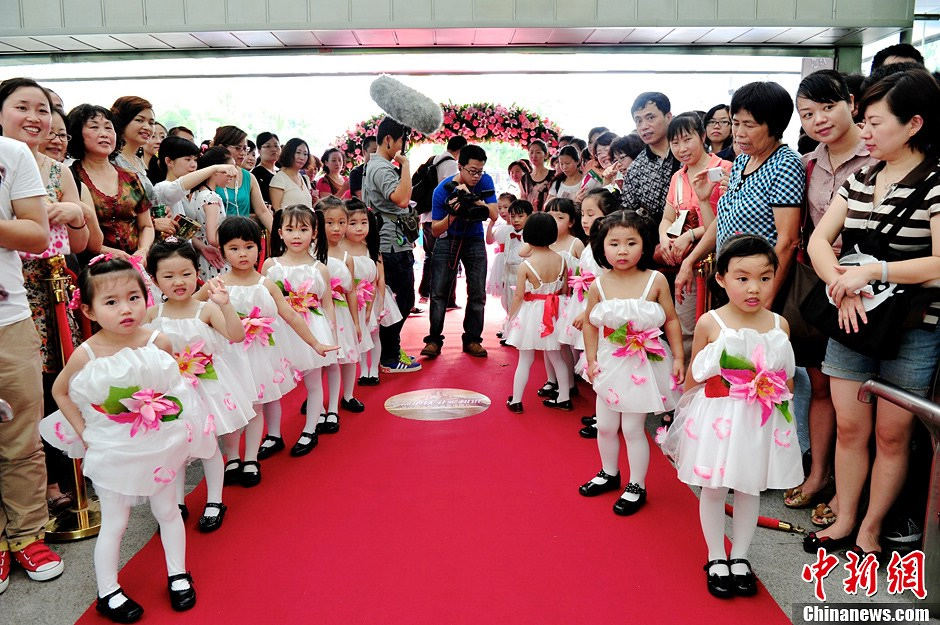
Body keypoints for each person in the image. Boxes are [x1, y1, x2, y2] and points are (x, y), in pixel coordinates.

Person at [803, 68, 940, 558]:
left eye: (875, 123)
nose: (865, 133)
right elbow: (820, 239)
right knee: (851, 426)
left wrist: (875, 271)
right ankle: (844, 519)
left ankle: (870, 528)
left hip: (912, 327)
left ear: (915, 124)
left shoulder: (935, 182)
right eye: (864, 122)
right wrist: (841, 282)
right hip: (851, 316)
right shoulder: (861, 177)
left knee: (891, 432)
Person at [45, 255, 215, 620]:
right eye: (111, 302)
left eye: (133, 298)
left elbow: (176, 387)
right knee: (116, 522)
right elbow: (60, 392)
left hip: (161, 444)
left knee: (169, 511)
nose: (126, 309)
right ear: (88, 311)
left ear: (146, 297)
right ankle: (108, 591)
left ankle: (178, 573)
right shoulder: (86, 353)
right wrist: (86, 432)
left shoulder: (159, 341)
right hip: (115, 449)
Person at [662, 234, 802, 599]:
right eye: (742, 278)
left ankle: (740, 556)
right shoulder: (712, 322)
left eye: (764, 277)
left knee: (749, 485)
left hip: (759, 419)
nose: (754, 288)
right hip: (720, 418)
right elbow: (694, 378)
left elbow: (786, 382)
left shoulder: (779, 325)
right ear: (721, 278)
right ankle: (715, 555)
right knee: (713, 487)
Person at [785, 70, 873, 522]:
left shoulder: (879, 154)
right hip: (819, 285)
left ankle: (855, 493)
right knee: (820, 384)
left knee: (858, 398)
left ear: (852, 103)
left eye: (826, 107)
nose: (818, 120)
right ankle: (819, 474)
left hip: (871, 288)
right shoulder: (806, 163)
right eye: (807, 113)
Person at [205, 217, 331, 487]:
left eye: (249, 247)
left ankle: (251, 458)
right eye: (234, 248)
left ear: (259, 248)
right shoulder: (215, 285)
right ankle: (233, 457)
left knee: (255, 406)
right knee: (232, 410)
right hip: (227, 357)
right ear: (223, 251)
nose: (242, 254)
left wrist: (316, 343)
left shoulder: (266, 284)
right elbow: (190, 312)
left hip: (258, 356)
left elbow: (291, 316)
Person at [578, 209, 684, 515]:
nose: (622, 250)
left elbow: (673, 320)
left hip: (643, 361)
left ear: (645, 244)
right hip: (610, 361)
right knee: (607, 426)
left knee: (634, 428)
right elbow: (589, 323)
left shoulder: (656, 279)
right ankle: (609, 472)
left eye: (631, 242)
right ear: (601, 246)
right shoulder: (599, 284)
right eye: (614, 243)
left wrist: (678, 357)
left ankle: (637, 484)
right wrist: (591, 357)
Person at [145, 240, 252, 532]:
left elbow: (236, 334)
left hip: (205, 387)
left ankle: (215, 500)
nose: (179, 282)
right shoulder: (153, 315)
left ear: (197, 273)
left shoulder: (204, 310)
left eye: (186, 273)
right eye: (168, 276)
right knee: (175, 448)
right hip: (171, 392)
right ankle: (177, 502)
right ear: (154, 280)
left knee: (207, 447)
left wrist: (226, 306)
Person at [675, 82, 804, 307]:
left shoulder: (785, 164)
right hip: (731, 278)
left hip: (757, 288)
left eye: (749, 125)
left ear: (774, 126)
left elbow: (788, 241)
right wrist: (690, 261)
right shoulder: (743, 160)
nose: (739, 133)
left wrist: (765, 301)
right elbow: (724, 220)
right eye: (735, 123)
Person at [0, 134, 62, 595]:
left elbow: (37, 233)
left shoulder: (11, 152)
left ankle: (28, 534)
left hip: (8, 317)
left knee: (21, 429)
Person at [261, 205, 338, 457]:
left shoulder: (320, 269)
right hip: (279, 329)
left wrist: (332, 335)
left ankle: (310, 428)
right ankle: (273, 434)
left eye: (303, 229)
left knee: (313, 381)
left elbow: (327, 304)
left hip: (312, 327)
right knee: (273, 384)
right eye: (290, 229)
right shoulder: (270, 266)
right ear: (280, 232)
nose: (296, 235)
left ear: (314, 233)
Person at [657, 112, 731, 354]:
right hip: (686, 262)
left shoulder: (723, 169)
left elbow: (726, 218)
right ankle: (689, 381)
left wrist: (690, 235)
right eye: (675, 143)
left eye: (687, 139)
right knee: (686, 325)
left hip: (718, 259)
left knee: (723, 327)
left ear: (702, 137)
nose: (681, 148)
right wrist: (664, 240)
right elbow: (667, 217)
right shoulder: (678, 177)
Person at [420, 144, 497, 359]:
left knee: (478, 292)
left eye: (480, 170)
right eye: (472, 171)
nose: (477, 176)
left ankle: (473, 339)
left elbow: (494, 214)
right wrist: (454, 214)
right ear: (460, 166)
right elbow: (435, 229)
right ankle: (434, 340)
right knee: (438, 293)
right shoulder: (442, 190)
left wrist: (473, 200)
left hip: (474, 239)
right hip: (448, 239)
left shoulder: (485, 181)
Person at [361, 117, 421, 373]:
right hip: (390, 243)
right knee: (402, 300)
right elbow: (402, 198)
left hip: (390, 239)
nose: (402, 148)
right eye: (400, 142)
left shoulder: (376, 165)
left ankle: (388, 352)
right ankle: (389, 355)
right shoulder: (383, 167)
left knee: (395, 300)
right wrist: (405, 165)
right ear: (389, 140)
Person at [67, 104, 155, 258]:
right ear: (77, 133)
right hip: (92, 267)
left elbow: (146, 225)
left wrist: (143, 251)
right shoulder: (71, 177)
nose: (104, 134)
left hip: (136, 265)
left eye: (109, 128)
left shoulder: (130, 177)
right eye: (94, 127)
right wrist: (108, 252)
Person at [504, 212, 571, 411]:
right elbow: (565, 290)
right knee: (556, 357)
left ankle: (516, 400)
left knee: (525, 359)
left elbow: (519, 296)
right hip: (554, 311)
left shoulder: (527, 265)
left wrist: (511, 317)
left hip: (531, 313)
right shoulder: (561, 260)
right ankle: (564, 398)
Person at [153, 140, 238, 280]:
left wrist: (202, 248)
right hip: (169, 257)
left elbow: (184, 231)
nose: (193, 164)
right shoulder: (163, 188)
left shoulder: (187, 195)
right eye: (187, 159)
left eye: (195, 159)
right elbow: (178, 187)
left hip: (185, 254)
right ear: (169, 161)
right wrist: (214, 168)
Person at [315, 197, 362, 433]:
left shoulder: (346, 258)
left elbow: (351, 291)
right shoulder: (310, 253)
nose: (336, 228)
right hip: (317, 314)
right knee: (321, 362)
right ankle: (318, 402)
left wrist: (356, 321)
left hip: (340, 313)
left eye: (341, 222)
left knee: (345, 356)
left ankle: (340, 401)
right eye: (329, 222)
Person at [620, 92, 681, 226]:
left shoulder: (687, 155)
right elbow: (629, 214)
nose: (644, 126)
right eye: (638, 120)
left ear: (668, 117)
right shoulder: (636, 169)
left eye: (650, 117)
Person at [417, 135, 465, 305]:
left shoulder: (434, 159)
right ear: (460, 151)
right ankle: (445, 298)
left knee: (430, 256)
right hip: (441, 218)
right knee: (447, 257)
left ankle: (425, 291)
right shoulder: (451, 164)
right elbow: (454, 191)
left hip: (426, 215)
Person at [343, 199, 385, 389]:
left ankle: (373, 370)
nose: (359, 228)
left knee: (374, 334)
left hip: (371, 297)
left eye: (363, 222)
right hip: (348, 301)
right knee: (356, 335)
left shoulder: (371, 248)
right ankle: (362, 370)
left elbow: (379, 279)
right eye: (353, 223)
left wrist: (379, 303)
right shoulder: (340, 249)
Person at [211, 126, 273, 233]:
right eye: (238, 148)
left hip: (243, 237)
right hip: (214, 238)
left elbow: (262, 212)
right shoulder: (209, 174)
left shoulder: (248, 177)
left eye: (245, 149)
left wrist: (280, 236)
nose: (243, 153)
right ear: (221, 147)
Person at [495, 199, 533, 342]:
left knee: (520, 305)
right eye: (513, 216)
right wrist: (504, 277)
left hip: (522, 275)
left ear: (529, 216)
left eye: (520, 216)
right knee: (508, 302)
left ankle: (515, 334)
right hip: (509, 272)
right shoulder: (508, 232)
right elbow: (506, 255)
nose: (516, 220)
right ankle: (509, 327)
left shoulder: (530, 235)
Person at [111, 96, 156, 202]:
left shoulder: (138, 161)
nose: (147, 127)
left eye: (151, 123)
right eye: (140, 120)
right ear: (122, 122)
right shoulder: (113, 160)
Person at [269, 138, 314, 211]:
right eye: (298, 152)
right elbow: (277, 210)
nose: (302, 157)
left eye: (305, 154)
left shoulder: (305, 179)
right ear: (289, 153)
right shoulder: (279, 178)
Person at [520, 140, 552, 212]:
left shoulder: (553, 175)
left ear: (546, 155)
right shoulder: (524, 178)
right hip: (530, 217)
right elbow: (523, 199)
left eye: (538, 152)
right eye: (531, 152)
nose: (534, 156)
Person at [252, 132, 280, 204]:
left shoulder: (281, 173)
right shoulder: (256, 174)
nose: (274, 149)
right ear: (259, 150)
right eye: (268, 146)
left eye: (276, 146)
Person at [348, 135, 377, 200]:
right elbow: (363, 198)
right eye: (374, 152)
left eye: (379, 152)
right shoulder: (356, 173)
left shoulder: (385, 169)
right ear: (364, 152)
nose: (378, 155)